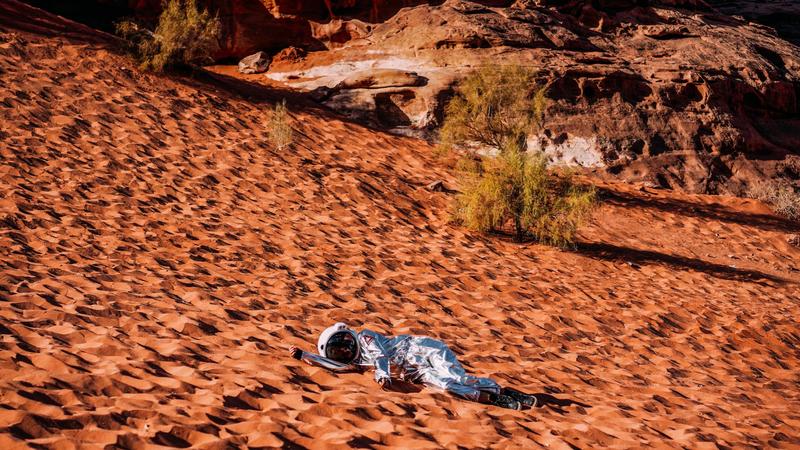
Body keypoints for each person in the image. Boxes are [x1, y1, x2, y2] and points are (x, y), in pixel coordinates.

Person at [289, 322, 538, 410]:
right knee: (446, 386)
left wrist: (382, 375)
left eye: (343, 345)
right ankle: (495, 399)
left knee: (456, 377)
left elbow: (381, 357)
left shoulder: (365, 336)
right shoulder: (355, 362)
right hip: (416, 373)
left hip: (424, 350)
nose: (344, 350)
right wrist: (304, 355)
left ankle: (502, 390)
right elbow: (334, 366)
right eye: (338, 350)